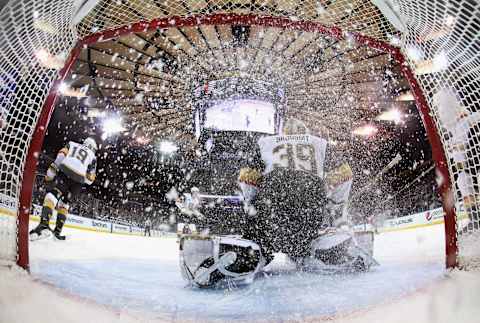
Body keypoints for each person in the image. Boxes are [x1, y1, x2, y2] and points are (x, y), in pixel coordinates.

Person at [179, 118, 375, 288]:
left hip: (272, 202)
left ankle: (245, 257)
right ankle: (324, 253)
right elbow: (346, 175)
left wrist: (253, 207)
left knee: (261, 243)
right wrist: (332, 201)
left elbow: (246, 178)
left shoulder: (266, 142)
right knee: (303, 247)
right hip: (310, 204)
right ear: (305, 132)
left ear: (285, 133)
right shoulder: (320, 143)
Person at [29, 137, 98, 240]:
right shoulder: (93, 156)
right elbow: (90, 179)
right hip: (78, 181)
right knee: (65, 204)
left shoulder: (72, 143)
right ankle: (57, 231)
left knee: (52, 195)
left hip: (65, 171)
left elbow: (61, 156)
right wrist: (81, 172)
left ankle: (44, 225)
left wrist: (53, 169)